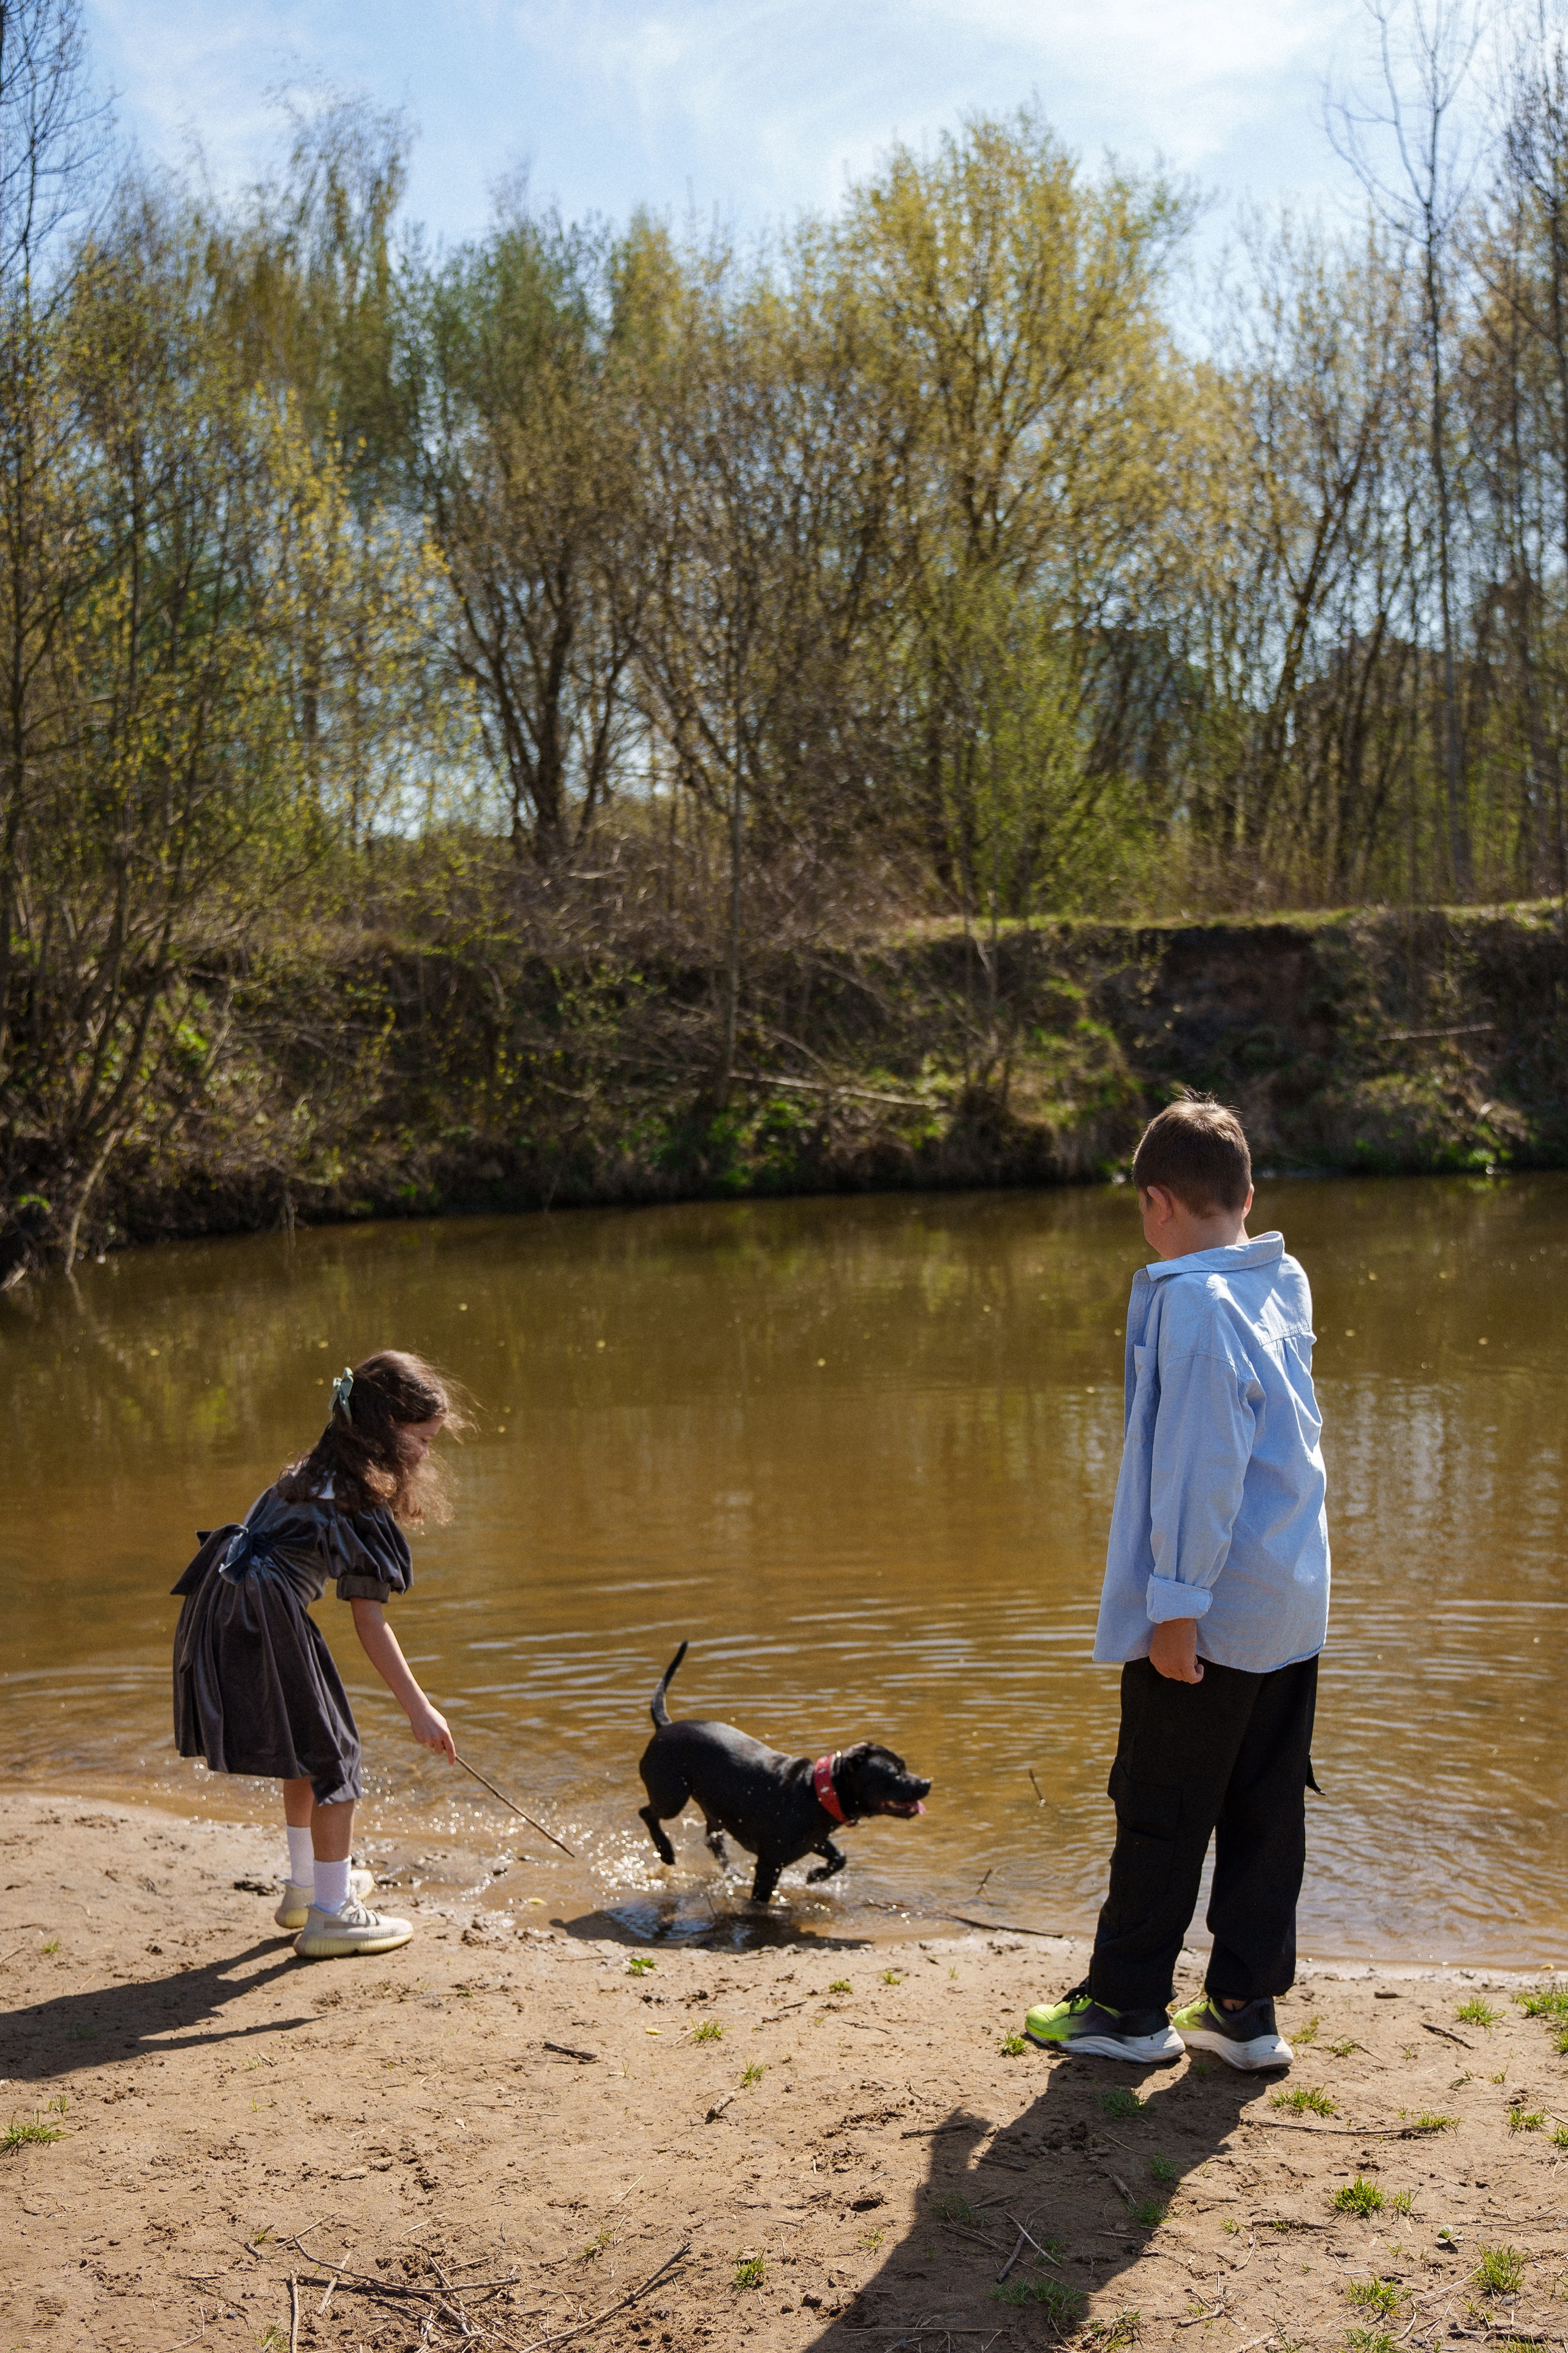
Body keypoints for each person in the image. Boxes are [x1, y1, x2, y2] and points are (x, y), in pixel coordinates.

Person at [1024, 1098, 1330, 2071]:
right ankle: (1244, 2006)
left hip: (1216, 1606)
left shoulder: (1196, 1305)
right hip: (1291, 1599)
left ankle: (1127, 2011)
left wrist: (1175, 1611)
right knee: (1264, 1808)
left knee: (1158, 1804)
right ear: (1247, 1196)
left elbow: (1204, 1470)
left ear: (1157, 1202)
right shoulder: (1279, 1279)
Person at [172, 1349, 462, 1960]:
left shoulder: (310, 1470)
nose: (427, 1452)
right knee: (336, 1753)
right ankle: (332, 1915)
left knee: (305, 1747)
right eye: (423, 1438)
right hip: (263, 1608)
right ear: (385, 1426)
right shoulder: (354, 1498)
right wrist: (419, 1708)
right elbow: (368, 1619)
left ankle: (307, 1888)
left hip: (223, 1603)